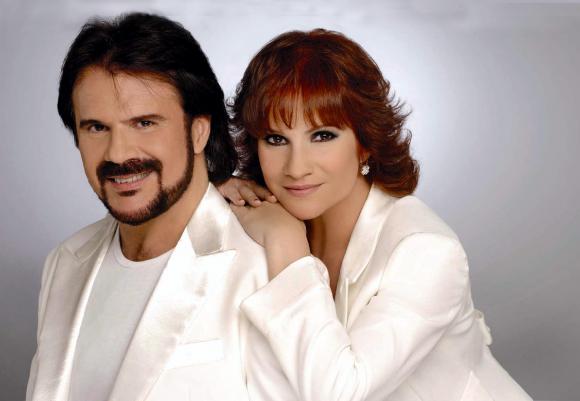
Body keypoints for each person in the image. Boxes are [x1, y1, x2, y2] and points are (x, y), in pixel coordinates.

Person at [220, 29, 533, 400]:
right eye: (275, 139)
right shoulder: (272, 215)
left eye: (322, 136)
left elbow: (341, 392)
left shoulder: (426, 252)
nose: (296, 167)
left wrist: (283, 241)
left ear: (365, 143)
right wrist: (215, 192)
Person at [26, 13, 283, 401]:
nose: (118, 153)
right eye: (96, 127)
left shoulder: (265, 260)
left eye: (144, 123)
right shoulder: (65, 261)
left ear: (198, 131)